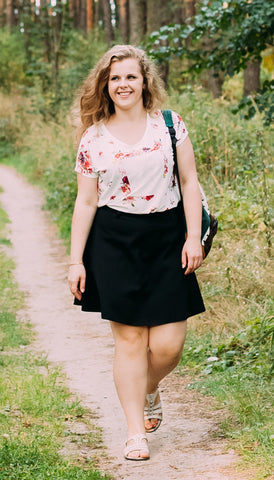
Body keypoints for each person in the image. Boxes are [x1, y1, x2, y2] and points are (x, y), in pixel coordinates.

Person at [68, 44, 205, 461]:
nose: (122, 84)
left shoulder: (169, 124)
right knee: (129, 341)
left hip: (166, 236)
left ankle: (148, 386)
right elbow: (86, 202)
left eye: (130, 76)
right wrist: (76, 260)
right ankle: (134, 433)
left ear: (145, 80)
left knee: (168, 345)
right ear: (104, 86)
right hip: (114, 241)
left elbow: (189, 180)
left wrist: (193, 236)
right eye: (114, 78)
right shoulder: (93, 137)